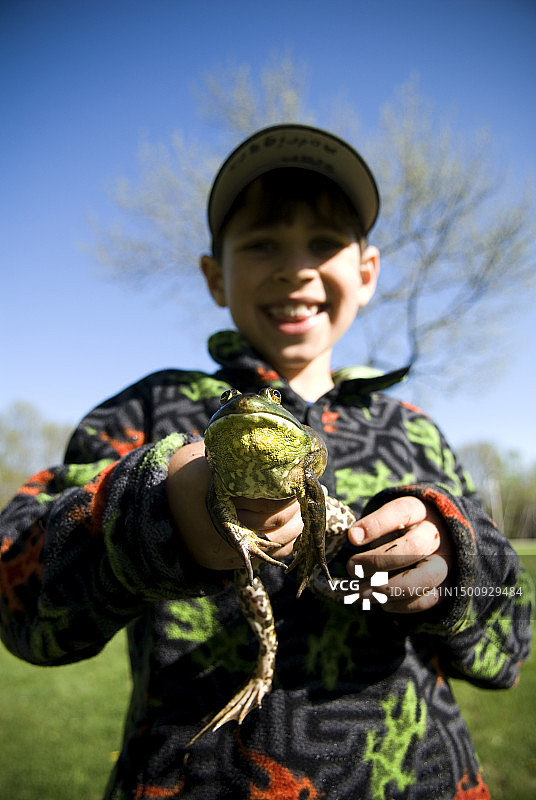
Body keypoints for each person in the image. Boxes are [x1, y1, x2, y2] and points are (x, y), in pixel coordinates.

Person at [0, 124, 532, 800]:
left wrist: (455, 567)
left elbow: (513, 632)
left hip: (424, 778)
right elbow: (21, 602)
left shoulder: (416, 432)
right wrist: (156, 517)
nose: (294, 267)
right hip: (196, 777)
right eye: (261, 243)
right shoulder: (150, 412)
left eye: (324, 243)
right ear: (215, 276)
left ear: (366, 274)